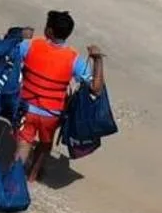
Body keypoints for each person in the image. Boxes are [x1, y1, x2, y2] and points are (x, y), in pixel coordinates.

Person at [13, 10, 106, 176]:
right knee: (45, 144)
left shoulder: (30, 45)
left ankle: (13, 181)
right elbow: (96, 88)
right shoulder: (73, 59)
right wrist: (97, 60)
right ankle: (33, 177)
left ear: (49, 31)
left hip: (26, 107)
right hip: (52, 114)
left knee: (24, 143)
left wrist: (21, 35)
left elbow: (11, 57)